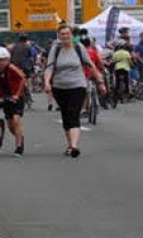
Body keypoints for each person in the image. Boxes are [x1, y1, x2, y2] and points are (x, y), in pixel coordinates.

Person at [44, 24, 105, 158]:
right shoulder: (56, 49)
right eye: (62, 34)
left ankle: (74, 146)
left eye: (67, 34)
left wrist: (100, 82)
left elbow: (90, 65)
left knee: (73, 113)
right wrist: (47, 82)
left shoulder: (79, 47)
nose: (65, 36)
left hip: (78, 85)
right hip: (59, 87)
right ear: (59, 36)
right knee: (66, 116)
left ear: (72, 35)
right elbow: (49, 67)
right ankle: (69, 144)